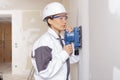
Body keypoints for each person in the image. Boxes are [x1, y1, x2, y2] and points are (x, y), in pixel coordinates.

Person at [31, 2, 80, 80]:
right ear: (50, 21)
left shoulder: (62, 39)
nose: (64, 21)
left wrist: (72, 40)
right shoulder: (43, 42)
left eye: (65, 18)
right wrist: (64, 53)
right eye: (60, 18)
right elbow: (44, 72)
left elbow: (74, 59)